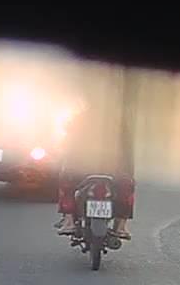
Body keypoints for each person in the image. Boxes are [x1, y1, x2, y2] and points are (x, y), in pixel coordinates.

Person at [56, 97, 135, 239]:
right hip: (112, 170)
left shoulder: (80, 118)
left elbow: (69, 142)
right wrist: (128, 171)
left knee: (66, 182)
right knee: (127, 185)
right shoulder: (118, 122)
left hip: (82, 168)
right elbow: (127, 148)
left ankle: (69, 221)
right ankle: (121, 226)